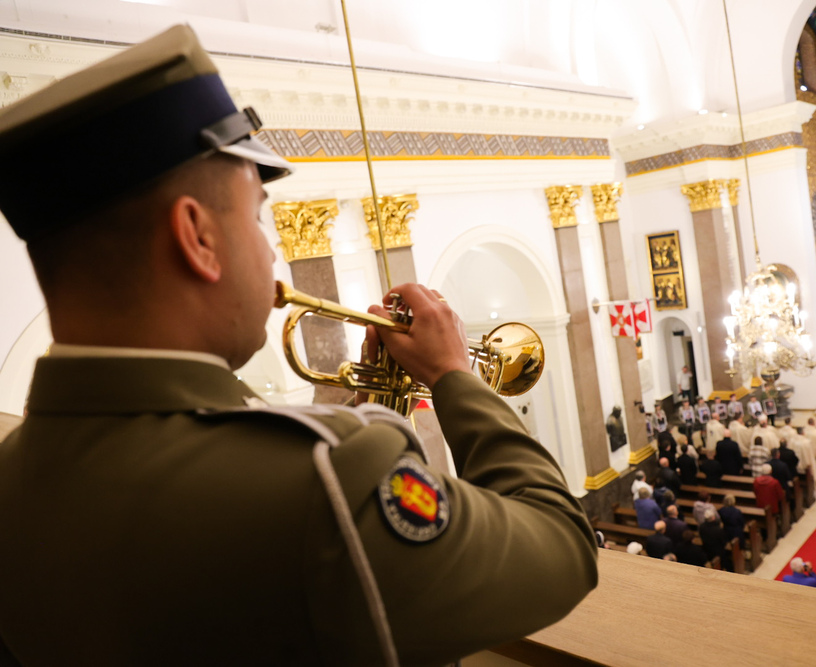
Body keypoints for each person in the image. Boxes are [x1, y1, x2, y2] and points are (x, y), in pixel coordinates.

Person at [0, 26, 598, 667]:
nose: (270, 250)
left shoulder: (12, 478)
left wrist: (364, 406)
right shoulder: (326, 482)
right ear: (195, 235)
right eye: (257, 216)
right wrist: (455, 373)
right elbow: (562, 546)